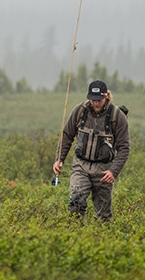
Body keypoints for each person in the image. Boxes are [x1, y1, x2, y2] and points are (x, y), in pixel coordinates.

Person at [53, 80, 131, 221]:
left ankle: (101, 239)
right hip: (81, 165)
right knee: (76, 201)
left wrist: (113, 171)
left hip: (104, 169)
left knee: (104, 215)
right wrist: (59, 159)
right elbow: (67, 135)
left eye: (99, 100)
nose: (95, 103)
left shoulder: (117, 116)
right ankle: (75, 236)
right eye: (93, 99)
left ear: (106, 96)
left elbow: (124, 148)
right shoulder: (79, 111)